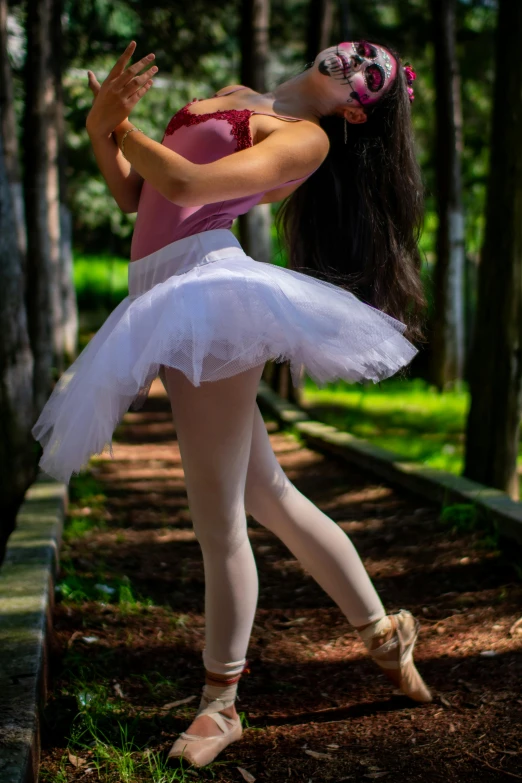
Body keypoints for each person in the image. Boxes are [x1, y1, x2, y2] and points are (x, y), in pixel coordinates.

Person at [32, 38, 431, 768]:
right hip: (166, 289)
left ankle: (220, 705)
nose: (354, 63)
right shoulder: (240, 93)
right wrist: (102, 129)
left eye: (370, 77)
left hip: (207, 296)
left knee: (218, 518)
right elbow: (137, 196)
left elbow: (184, 185)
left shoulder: (304, 140)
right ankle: (383, 634)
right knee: (267, 492)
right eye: (358, 52)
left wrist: (121, 126)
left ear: (359, 113)